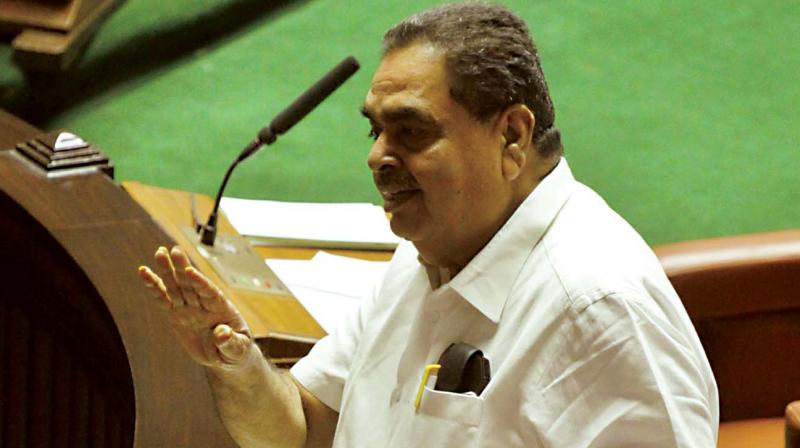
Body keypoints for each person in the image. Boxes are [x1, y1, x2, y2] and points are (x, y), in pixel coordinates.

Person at [138, 2, 718, 447]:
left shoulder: (600, 313)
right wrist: (237, 366)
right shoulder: (424, 255)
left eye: (411, 132)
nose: (377, 157)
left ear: (511, 136)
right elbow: (304, 428)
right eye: (375, 131)